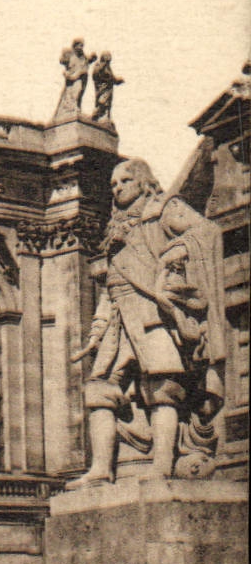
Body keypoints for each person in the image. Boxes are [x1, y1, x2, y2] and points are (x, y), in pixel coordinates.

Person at [69, 158, 227, 485]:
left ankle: (163, 464)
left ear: (142, 182)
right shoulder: (115, 230)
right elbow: (110, 289)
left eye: (124, 181)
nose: (118, 188)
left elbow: (206, 231)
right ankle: (100, 469)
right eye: (113, 185)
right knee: (98, 391)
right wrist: (97, 331)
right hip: (119, 324)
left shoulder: (164, 209)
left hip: (153, 315)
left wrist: (175, 253)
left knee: (163, 389)